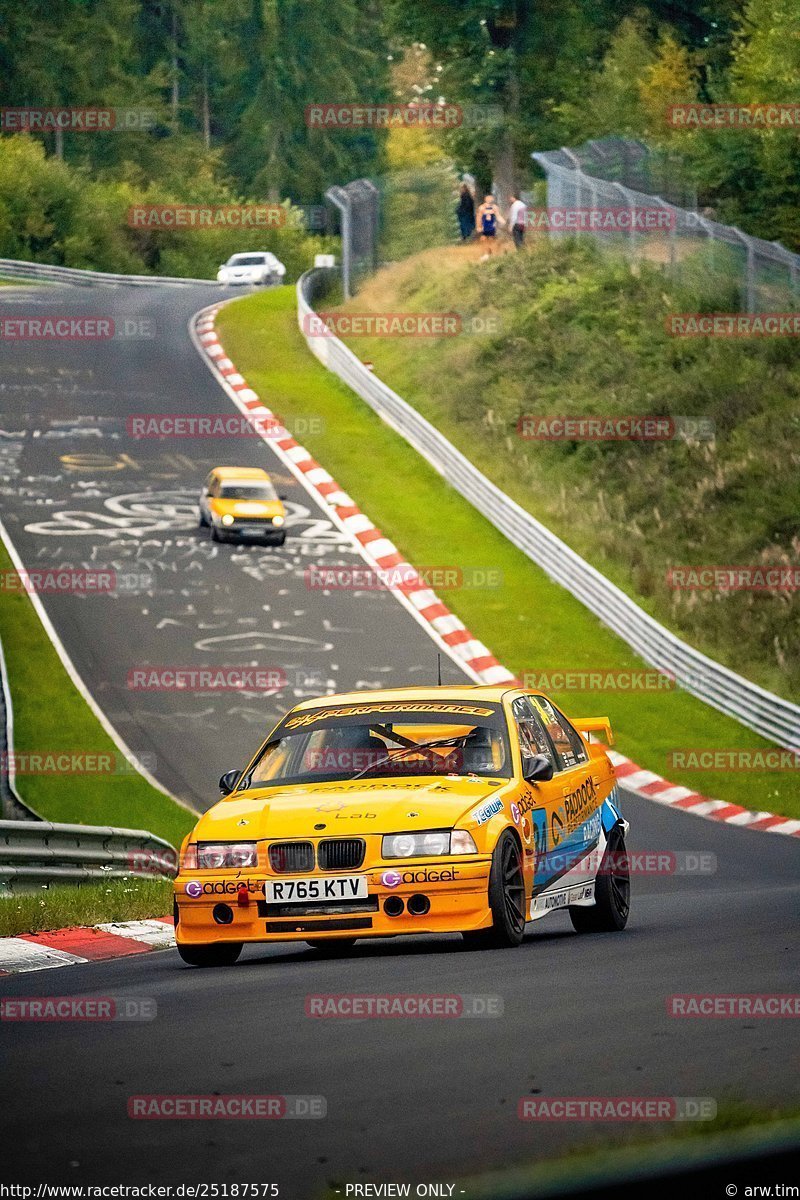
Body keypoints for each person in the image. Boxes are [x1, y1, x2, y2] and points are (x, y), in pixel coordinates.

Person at [476, 193, 505, 258]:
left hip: (492, 226)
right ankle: (485, 254)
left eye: (491, 198)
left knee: (491, 240)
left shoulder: (494, 207)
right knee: (483, 239)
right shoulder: (481, 207)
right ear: (485, 199)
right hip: (484, 226)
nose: (489, 199)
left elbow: (498, 216)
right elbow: (479, 217)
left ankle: (490, 253)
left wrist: (503, 221)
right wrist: (478, 226)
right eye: (488, 198)